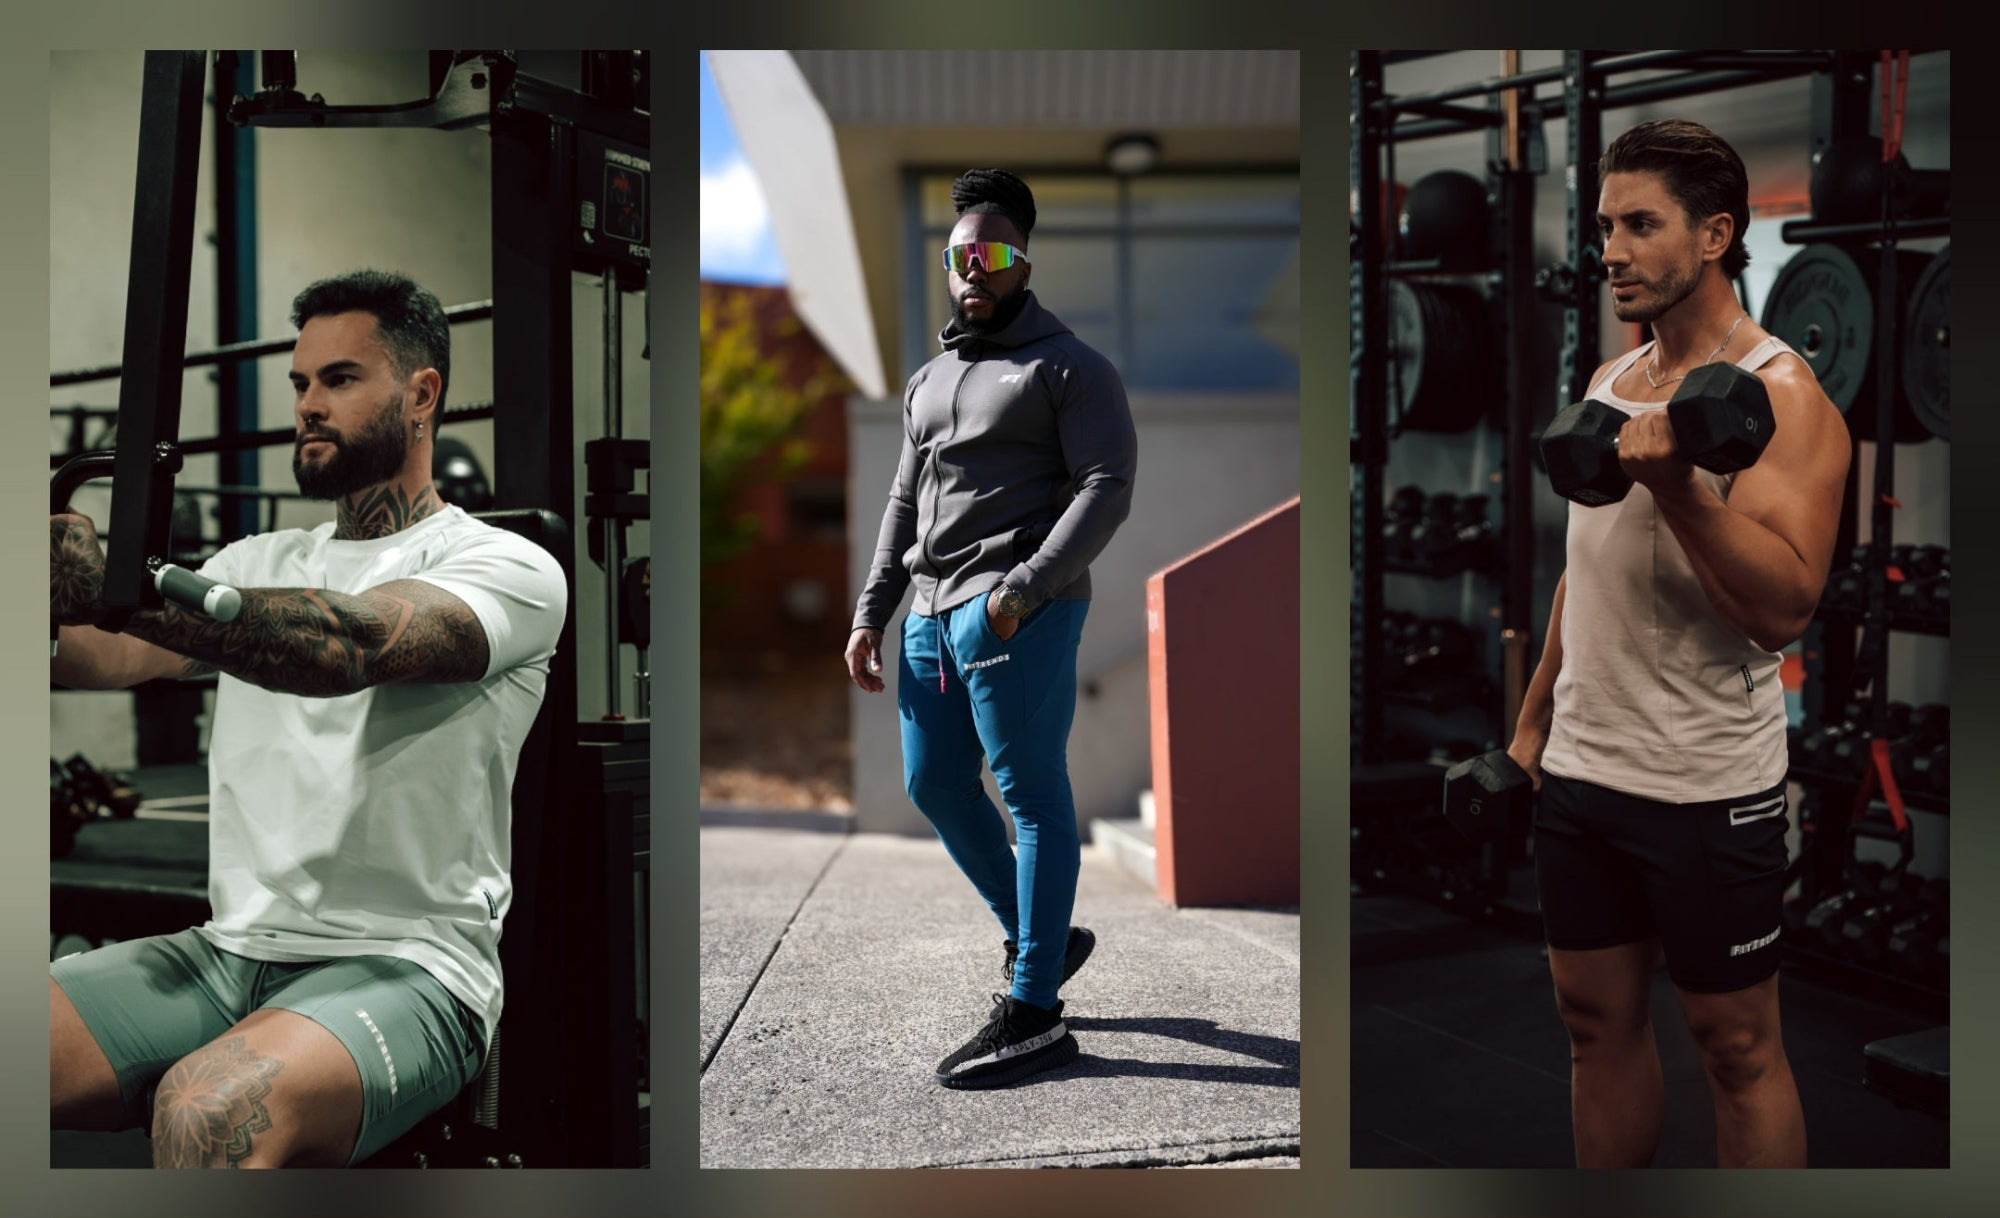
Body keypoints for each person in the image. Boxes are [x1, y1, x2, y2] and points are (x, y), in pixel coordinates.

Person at [48, 269, 568, 1167]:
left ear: (422, 393)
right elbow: (104, 655)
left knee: (206, 1110)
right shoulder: (259, 556)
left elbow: (346, 648)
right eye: (299, 384)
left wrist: (116, 591)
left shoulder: (506, 567)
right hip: (224, 956)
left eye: (339, 379)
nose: (309, 405)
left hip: (410, 969)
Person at [1507, 120, 1850, 1168]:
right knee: (1591, 1028)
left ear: (1713, 235)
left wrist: (1675, 490)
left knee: (1735, 1047)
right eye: (1605, 224)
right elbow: (1587, 569)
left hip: (1705, 786)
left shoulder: (1786, 399)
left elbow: (1781, 610)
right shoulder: (1614, 383)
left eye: (1639, 224)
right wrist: (1530, 729)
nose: (1608, 247)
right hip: (1582, 775)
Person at [844, 169, 1137, 1089]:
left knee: (1033, 794)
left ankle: (1036, 1012)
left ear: (1023, 261)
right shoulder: (930, 378)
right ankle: (1041, 936)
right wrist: (872, 613)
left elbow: (1106, 488)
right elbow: (903, 499)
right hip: (927, 616)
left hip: (1015, 609)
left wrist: (1025, 588)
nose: (977, 267)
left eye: (995, 252)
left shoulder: (1069, 367)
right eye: (961, 253)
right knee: (933, 783)